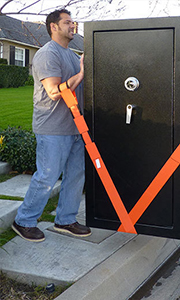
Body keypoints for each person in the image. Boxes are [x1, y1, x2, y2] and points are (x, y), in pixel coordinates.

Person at [12, 9, 91, 242]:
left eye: (73, 22)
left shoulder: (71, 54)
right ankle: (24, 220)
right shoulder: (48, 54)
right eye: (67, 22)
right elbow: (54, 91)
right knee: (47, 176)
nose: (73, 25)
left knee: (76, 175)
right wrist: (81, 74)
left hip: (75, 127)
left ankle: (65, 219)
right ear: (53, 27)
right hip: (53, 128)